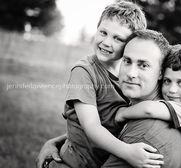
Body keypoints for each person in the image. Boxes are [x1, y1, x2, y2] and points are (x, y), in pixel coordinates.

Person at [37, 2, 164, 168]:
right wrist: (128, 152)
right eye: (103, 32)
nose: (106, 42)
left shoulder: (129, 76)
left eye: (118, 38)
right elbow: (91, 126)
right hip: (71, 163)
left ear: (130, 45)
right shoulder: (85, 71)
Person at [101, 30, 181, 168]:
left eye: (144, 65)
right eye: (127, 61)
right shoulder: (133, 107)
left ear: (161, 73)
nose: (131, 73)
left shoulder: (143, 138)